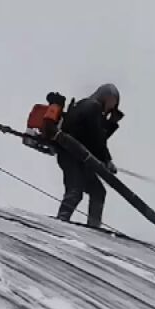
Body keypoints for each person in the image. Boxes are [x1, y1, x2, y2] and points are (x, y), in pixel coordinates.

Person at [56, 83, 123, 228]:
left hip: (75, 157)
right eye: (114, 103)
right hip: (73, 155)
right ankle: (60, 223)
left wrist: (111, 123)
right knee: (75, 190)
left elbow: (96, 137)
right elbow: (97, 138)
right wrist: (107, 160)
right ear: (108, 97)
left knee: (97, 191)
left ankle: (93, 226)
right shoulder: (93, 106)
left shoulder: (85, 105)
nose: (113, 107)